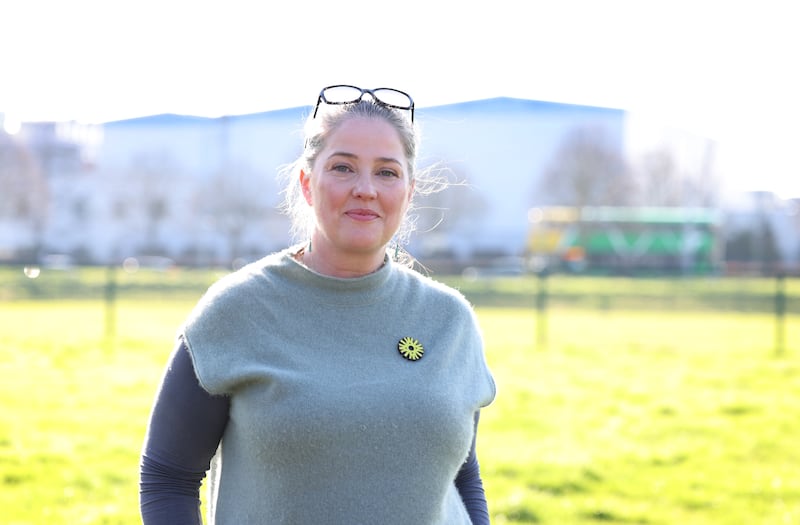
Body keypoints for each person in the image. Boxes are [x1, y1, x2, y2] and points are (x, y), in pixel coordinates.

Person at [139, 84, 496, 524]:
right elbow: (167, 477)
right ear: (308, 184)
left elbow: (464, 478)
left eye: (387, 172)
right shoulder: (236, 311)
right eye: (343, 167)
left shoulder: (450, 320)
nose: (366, 188)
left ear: (408, 190)